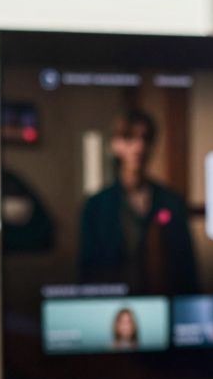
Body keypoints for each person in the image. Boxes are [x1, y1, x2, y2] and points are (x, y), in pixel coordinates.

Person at [79, 109, 199, 295]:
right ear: (115, 145)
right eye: (130, 138)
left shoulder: (171, 202)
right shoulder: (96, 206)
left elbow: (188, 270)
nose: (139, 147)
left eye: (146, 138)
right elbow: (88, 272)